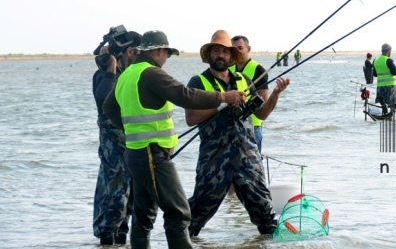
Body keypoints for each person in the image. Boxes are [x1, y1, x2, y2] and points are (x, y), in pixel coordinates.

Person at [102, 30, 230, 249]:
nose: (167, 59)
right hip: (152, 153)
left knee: (143, 215)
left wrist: (133, 128)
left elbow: (108, 107)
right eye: (167, 54)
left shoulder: (127, 74)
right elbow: (185, 95)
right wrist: (223, 97)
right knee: (179, 211)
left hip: (136, 153)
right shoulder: (152, 73)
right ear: (159, 51)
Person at [185, 30, 290, 238]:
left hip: (247, 158)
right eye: (216, 51)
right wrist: (223, 100)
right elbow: (191, 118)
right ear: (209, 55)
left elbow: (262, 114)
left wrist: (276, 94)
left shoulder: (244, 79)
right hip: (213, 160)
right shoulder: (197, 82)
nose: (220, 56)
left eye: (225, 52)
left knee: (266, 217)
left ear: (231, 56)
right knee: (194, 217)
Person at [92, 30, 142, 246]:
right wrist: (110, 70)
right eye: (138, 52)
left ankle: (121, 237)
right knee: (114, 193)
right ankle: (106, 237)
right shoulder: (105, 74)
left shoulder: (134, 74)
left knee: (130, 196)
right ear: (129, 51)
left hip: (133, 142)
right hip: (113, 145)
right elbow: (104, 102)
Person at [229, 34, 273, 153]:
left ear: (248, 49)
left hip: (253, 127)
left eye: (240, 48)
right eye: (233, 49)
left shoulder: (258, 69)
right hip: (232, 125)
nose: (236, 52)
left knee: (253, 166)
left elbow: (263, 101)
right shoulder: (229, 68)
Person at [373, 43, 396, 115]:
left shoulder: (376, 60)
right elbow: (395, 72)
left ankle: (381, 116)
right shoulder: (389, 60)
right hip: (390, 87)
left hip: (380, 87)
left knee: (381, 104)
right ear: (389, 51)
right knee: (391, 106)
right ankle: (390, 118)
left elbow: (374, 74)